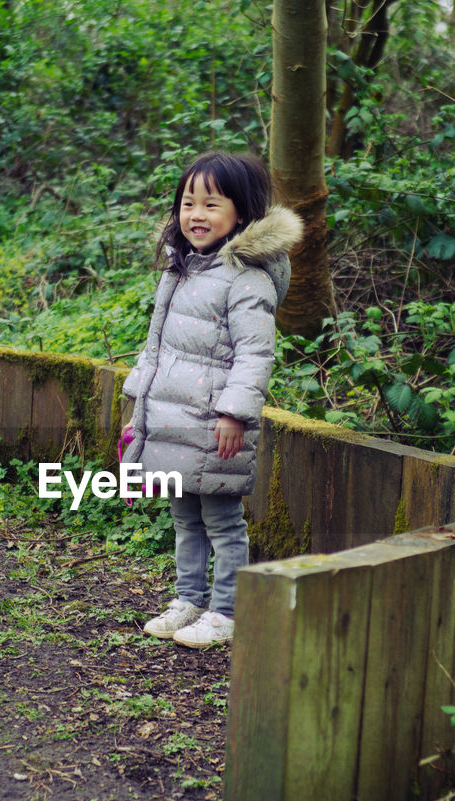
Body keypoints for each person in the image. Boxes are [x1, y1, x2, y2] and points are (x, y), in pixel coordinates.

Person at [120, 151, 302, 650]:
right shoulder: (179, 270)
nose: (195, 214)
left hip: (216, 422)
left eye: (211, 204)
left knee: (222, 519)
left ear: (240, 213)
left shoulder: (247, 278)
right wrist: (138, 405)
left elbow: (255, 353)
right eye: (187, 203)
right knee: (184, 515)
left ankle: (227, 610)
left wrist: (234, 413)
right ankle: (189, 598)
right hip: (173, 418)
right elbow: (156, 346)